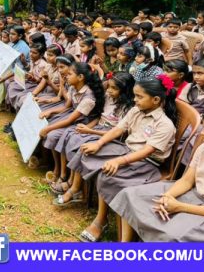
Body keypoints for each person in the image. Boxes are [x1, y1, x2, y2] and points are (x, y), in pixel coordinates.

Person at [112, 110, 204, 242]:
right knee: (130, 194)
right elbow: (186, 180)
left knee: (173, 235)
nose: (202, 134)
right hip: (192, 195)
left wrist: (179, 207)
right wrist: (167, 196)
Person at [69, 78, 177, 242]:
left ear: (156, 100)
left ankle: (101, 220)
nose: (135, 100)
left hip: (146, 163)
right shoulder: (135, 110)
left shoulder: (165, 125)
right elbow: (118, 129)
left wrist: (118, 161)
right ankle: (77, 191)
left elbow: (147, 152)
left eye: (139, 97)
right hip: (126, 150)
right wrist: (98, 143)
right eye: (135, 96)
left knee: (107, 173)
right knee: (87, 150)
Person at [51, 72, 135, 206]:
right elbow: (100, 117)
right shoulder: (108, 98)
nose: (109, 91)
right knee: (73, 136)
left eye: (114, 88)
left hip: (109, 136)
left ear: (125, 91)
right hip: (98, 128)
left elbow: (118, 133)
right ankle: (70, 179)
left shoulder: (128, 108)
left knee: (83, 145)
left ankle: (74, 189)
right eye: (109, 87)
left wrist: (90, 131)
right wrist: (87, 127)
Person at [40, 63, 104, 196]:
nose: (66, 76)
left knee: (54, 135)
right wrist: (51, 112)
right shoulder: (74, 88)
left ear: (80, 77)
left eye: (70, 74)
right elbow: (67, 106)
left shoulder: (88, 97)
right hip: (73, 117)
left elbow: (70, 120)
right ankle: (58, 170)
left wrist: (48, 129)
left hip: (82, 123)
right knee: (53, 131)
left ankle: (63, 175)